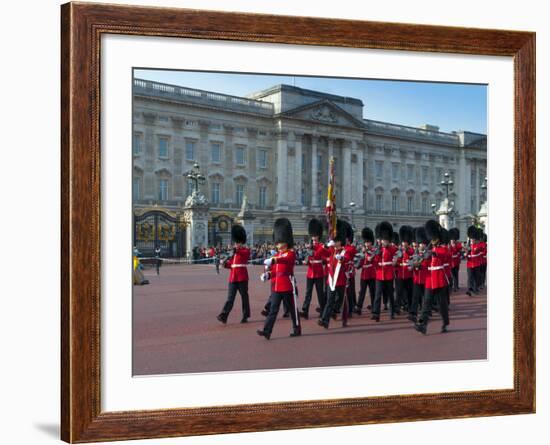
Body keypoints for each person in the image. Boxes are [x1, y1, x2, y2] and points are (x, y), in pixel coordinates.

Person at [257, 218, 301, 340]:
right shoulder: (277, 255)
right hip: (276, 286)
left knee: (292, 309)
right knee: (273, 310)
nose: (279, 246)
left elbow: (285, 260)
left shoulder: (290, 253)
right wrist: (268, 275)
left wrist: (274, 260)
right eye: (278, 243)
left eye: (280, 243)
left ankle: (297, 328)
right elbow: (275, 271)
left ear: (286, 242)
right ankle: (267, 331)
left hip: (287, 285)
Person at [415, 220, 450, 334]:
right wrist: (419, 264)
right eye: (432, 238)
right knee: (426, 302)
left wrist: (434, 253)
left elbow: (445, 254)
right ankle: (422, 324)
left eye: (434, 238)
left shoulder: (443, 247)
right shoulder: (429, 249)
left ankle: (445, 322)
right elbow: (426, 263)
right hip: (430, 279)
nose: (433, 240)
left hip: (440, 279)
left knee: (442, 304)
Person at [318, 220, 354, 329]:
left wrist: (341, 258)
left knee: (341, 301)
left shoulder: (346, 250)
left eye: (337, 240)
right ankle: (325, 320)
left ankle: (340, 315)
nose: (335, 242)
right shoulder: (331, 250)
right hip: (331, 280)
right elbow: (319, 253)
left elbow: (348, 257)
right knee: (330, 300)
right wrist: (325, 245)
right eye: (335, 240)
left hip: (341, 280)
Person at [217, 225, 251, 324]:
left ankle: (245, 315)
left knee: (244, 297)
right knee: (230, 298)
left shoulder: (245, 251)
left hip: (242, 277)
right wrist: (224, 264)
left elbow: (242, 254)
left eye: (237, 243)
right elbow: (231, 265)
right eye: (235, 243)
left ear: (241, 242)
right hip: (233, 278)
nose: (236, 244)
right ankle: (224, 315)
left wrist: (234, 251)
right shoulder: (235, 253)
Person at [300, 218, 328, 319]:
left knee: (320, 293)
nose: (314, 238)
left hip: (319, 272)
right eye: (312, 236)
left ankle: (323, 310)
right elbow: (308, 257)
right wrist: (306, 261)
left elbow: (325, 256)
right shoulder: (309, 246)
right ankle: (305, 310)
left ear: (318, 236)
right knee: (308, 293)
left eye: (315, 236)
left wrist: (314, 250)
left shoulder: (322, 246)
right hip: (310, 271)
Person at [371, 221, 398, 322]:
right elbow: (374, 262)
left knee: (390, 294)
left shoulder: (392, 249)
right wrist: (375, 256)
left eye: (386, 240)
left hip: (389, 274)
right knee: (378, 295)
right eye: (383, 240)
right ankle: (376, 313)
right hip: (379, 275)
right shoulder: (378, 249)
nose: (384, 242)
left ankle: (392, 312)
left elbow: (398, 256)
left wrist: (395, 261)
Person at [407, 227, 429, 322]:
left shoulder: (428, 255)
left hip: (426, 279)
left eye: (422, 244)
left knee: (425, 299)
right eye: (419, 244)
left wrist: (421, 264)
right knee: (415, 297)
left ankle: (425, 314)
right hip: (416, 279)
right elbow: (409, 266)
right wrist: (413, 266)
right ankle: (413, 313)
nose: (420, 246)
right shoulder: (415, 254)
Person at [355, 227, 376, 315]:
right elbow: (359, 264)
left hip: (371, 274)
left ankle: (374, 307)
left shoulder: (374, 251)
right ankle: (359, 307)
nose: (367, 244)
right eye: (366, 242)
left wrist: (368, 254)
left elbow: (374, 261)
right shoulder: (362, 252)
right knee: (362, 291)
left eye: (368, 242)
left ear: (371, 242)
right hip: (364, 274)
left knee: (372, 291)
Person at [395, 226, 414, 312]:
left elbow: (412, 258)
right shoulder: (399, 251)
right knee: (398, 292)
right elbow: (396, 261)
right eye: (403, 242)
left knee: (409, 293)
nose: (404, 243)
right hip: (400, 274)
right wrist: (396, 263)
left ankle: (410, 307)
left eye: (405, 242)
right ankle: (397, 307)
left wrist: (406, 251)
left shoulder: (411, 251)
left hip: (409, 275)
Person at [465, 225, 483, 296]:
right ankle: (469, 289)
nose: (472, 240)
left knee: (475, 277)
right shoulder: (468, 246)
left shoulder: (478, 246)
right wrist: (466, 253)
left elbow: (479, 252)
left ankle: (475, 289)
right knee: (470, 276)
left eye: (473, 239)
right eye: (471, 239)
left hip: (476, 263)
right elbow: (466, 255)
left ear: (475, 239)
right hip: (469, 264)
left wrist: (473, 250)